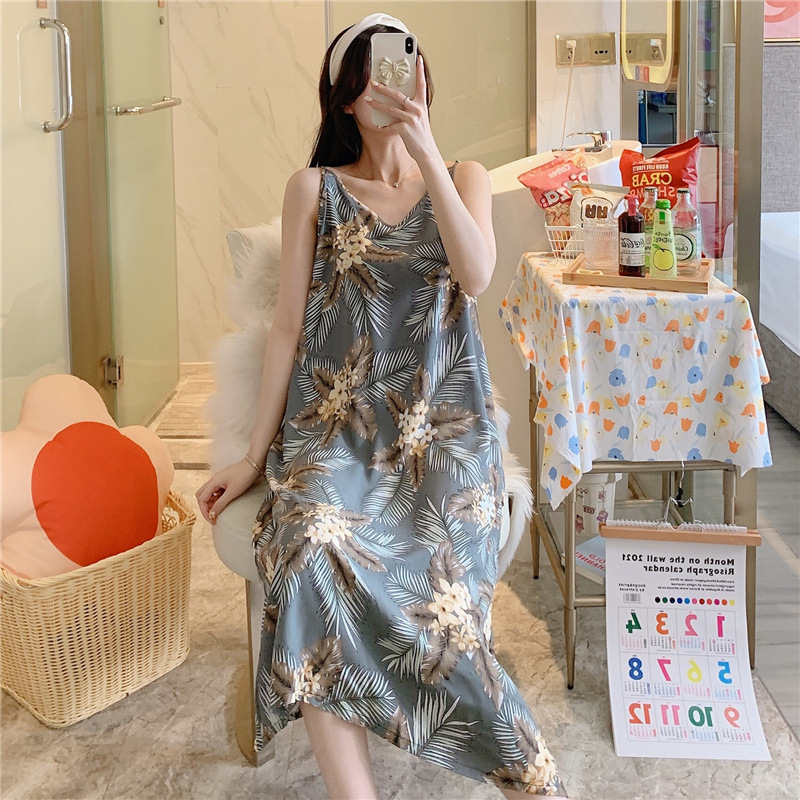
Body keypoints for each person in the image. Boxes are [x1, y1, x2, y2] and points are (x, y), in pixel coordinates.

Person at [196, 12, 569, 800]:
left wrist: (426, 150)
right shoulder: (314, 190)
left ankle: (511, 754)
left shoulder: (463, 176)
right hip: (336, 433)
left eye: (402, 68)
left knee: (443, 586)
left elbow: (475, 276)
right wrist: (253, 456)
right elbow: (287, 326)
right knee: (308, 548)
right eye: (369, 79)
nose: (390, 89)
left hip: (446, 434)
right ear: (342, 98)